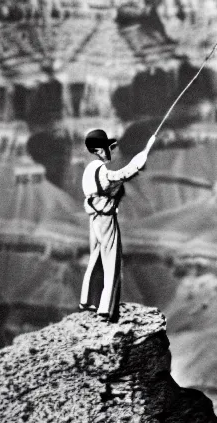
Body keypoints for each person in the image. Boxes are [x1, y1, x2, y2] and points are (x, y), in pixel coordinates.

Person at [79, 128, 148, 322]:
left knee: (96, 258)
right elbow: (115, 178)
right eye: (109, 148)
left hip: (94, 218)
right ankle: (106, 309)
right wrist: (136, 165)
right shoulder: (99, 169)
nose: (112, 151)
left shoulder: (88, 169)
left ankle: (89, 301)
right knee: (111, 262)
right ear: (101, 150)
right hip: (105, 218)